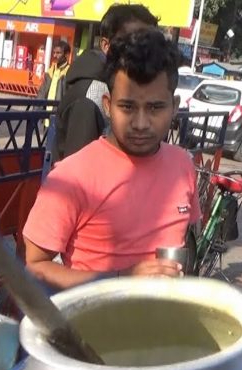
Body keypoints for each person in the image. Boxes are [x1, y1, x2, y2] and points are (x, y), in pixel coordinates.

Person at [23, 29, 200, 292]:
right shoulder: (72, 176)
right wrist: (119, 280)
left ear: (174, 107)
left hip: (166, 327)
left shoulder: (183, 166)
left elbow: (187, 241)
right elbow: (35, 267)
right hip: (91, 328)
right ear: (107, 105)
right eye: (127, 107)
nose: (140, 124)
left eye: (155, 108)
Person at [54, 4, 158, 161]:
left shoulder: (130, 85)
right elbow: (80, 174)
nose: (142, 51)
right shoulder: (89, 98)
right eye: (133, 42)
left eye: (148, 43)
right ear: (106, 45)